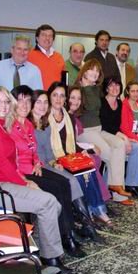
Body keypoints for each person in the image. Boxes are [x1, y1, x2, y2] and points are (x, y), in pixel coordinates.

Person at [0, 86, 70, 273]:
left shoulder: (0, 125)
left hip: (5, 183)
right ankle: (50, 258)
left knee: (54, 205)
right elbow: (2, 163)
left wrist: (22, 179)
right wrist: (25, 182)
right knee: (49, 202)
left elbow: (11, 163)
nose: (3, 105)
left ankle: (42, 248)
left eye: (6, 101)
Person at [10, 85, 85, 258]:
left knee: (64, 183)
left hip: (33, 168)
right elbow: (8, 158)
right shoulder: (10, 126)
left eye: (28, 100)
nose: (25, 104)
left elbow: (34, 150)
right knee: (58, 187)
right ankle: (66, 237)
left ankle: (68, 234)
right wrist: (25, 175)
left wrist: (37, 162)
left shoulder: (28, 124)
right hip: (22, 173)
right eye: (21, 100)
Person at [30, 89, 105, 236]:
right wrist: (53, 162)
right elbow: (31, 153)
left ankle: (90, 218)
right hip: (37, 166)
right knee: (70, 179)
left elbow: (49, 152)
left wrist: (53, 162)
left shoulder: (46, 124)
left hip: (52, 161)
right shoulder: (28, 125)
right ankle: (81, 223)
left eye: (45, 102)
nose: (43, 105)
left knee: (87, 168)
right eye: (39, 102)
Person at [45, 82, 112, 227]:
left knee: (88, 166)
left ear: (65, 99)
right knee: (81, 173)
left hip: (69, 156)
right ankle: (87, 212)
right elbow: (44, 146)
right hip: (54, 158)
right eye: (55, 95)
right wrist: (56, 161)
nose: (58, 99)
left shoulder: (68, 117)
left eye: (62, 96)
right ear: (49, 97)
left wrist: (86, 152)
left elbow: (73, 144)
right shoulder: (44, 117)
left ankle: (99, 211)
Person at [75, 59, 129, 200]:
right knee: (110, 153)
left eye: (97, 71)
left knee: (119, 144)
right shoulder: (77, 89)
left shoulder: (97, 89)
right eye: (91, 69)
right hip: (85, 131)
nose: (95, 73)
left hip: (98, 129)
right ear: (84, 70)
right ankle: (113, 189)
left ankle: (116, 189)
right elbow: (82, 109)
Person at [100, 78, 138, 199]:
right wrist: (124, 138)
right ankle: (112, 187)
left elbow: (121, 125)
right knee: (119, 148)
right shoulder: (102, 102)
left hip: (116, 135)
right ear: (106, 88)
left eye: (117, 85)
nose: (115, 88)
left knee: (136, 147)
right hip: (102, 134)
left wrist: (127, 138)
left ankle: (132, 184)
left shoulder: (120, 103)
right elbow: (105, 125)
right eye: (111, 86)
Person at [0, 35, 43, 108]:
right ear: (12, 50)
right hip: (1, 114)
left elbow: (38, 98)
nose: (22, 52)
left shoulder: (35, 71)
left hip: (24, 115)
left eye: (25, 49)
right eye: (19, 48)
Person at [28, 24, 65, 90]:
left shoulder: (59, 57)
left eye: (50, 36)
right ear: (37, 38)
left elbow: (65, 79)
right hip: (37, 97)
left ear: (53, 39)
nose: (47, 38)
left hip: (56, 97)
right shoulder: (29, 56)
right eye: (44, 35)